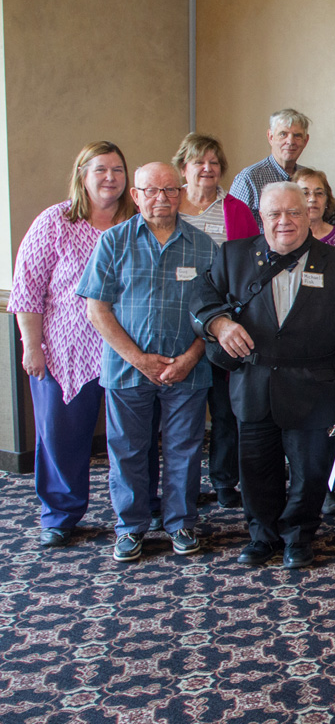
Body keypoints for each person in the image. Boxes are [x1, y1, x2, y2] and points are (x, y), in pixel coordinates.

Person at [193, 182, 335, 569]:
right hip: (254, 385)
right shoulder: (233, 256)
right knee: (256, 469)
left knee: (310, 471)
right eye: (274, 214)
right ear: (261, 218)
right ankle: (262, 535)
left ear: (309, 215)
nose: (284, 221)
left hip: (315, 386)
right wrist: (219, 324)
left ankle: (299, 536)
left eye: (293, 212)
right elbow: (201, 300)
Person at [77, 162, 217, 562]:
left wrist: (190, 358)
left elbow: (216, 312)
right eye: (151, 191)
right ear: (135, 195)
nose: (162, 199)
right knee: (127, 450)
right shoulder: (113, 242)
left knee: (185, 449)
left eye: (171, 190)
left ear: (182, 193)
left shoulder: (204, 246)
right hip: (126, 370)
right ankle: (131, 527)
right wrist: (139, 360)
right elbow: (97, 310)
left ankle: (180, 523)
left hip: (188, 370)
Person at [9, 142, 136, 548]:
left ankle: (137, 511)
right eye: (101, 169)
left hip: (126, 349)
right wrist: (32, 346)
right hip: (63, 351)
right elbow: (27, 290)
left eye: (117, 169)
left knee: (133, 438)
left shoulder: (136, 222)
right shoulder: (56, 221)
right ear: (83, 174)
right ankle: (60, 515)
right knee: (60, 435)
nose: (110, 177)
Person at [174, 132, 259, 509]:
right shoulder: (168, 204)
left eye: (214, 162)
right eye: (198, 162)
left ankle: (225, 479)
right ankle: (179, 487)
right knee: (180, 413)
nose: (207, 169)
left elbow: (251, 266)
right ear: (183, 168)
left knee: (224, 411)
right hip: (173, 322)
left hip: (221, 322)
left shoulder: (236, 209)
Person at [229, 108, 311, 229]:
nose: (290, 141)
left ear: (305, 141)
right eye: (283, 134)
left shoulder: (308, 178)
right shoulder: (249, 178)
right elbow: (234, 228)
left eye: (297, 135)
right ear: (270, 137)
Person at [295, 167, 335, 246]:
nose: (313, 199)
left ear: (327, 200)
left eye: (319, 193)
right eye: (305, 193)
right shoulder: (286, 237)